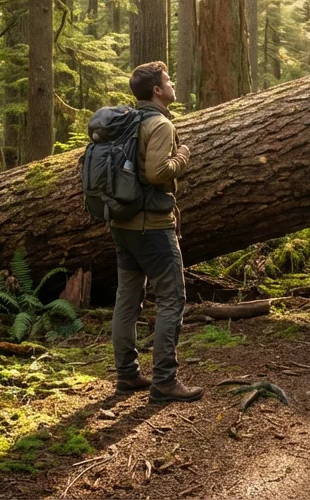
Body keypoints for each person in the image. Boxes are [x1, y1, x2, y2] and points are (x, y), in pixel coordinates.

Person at [109, 61, 204, 403]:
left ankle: (127, 376)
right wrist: (182, 156)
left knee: (127, 300)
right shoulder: (159, 124)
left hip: (122, 225)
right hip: (152, 226)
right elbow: (156, 173)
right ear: (157, 91)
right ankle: (164, 381)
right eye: (168, 80)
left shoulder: (127, 120)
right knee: (171, 298)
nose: (172, 83)